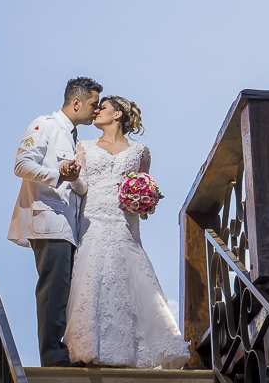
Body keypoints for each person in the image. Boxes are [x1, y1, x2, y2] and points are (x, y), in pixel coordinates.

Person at [64, 95, 188, 368]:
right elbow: (82, 186)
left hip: (124, 224)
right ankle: (91, 347)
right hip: (94, 220)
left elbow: (143, 184)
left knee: (129, 280)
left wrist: (146, 200)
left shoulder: (140, 151)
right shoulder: (83, 146)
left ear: (118, 114)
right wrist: (73, 178)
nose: (96, 111)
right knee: (94, 278)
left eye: (103, 108)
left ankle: (134, 351)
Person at [8, 76, 102, 367]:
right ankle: (52, 356)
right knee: (53, 290)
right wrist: (59, 174)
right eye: (93, 105)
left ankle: (65, 351)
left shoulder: (75, 137)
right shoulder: (44, 125)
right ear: (76, 102)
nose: (96, 111)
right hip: (48, 221)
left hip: (68, 227)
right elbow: (21, 165)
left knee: (65, 292)